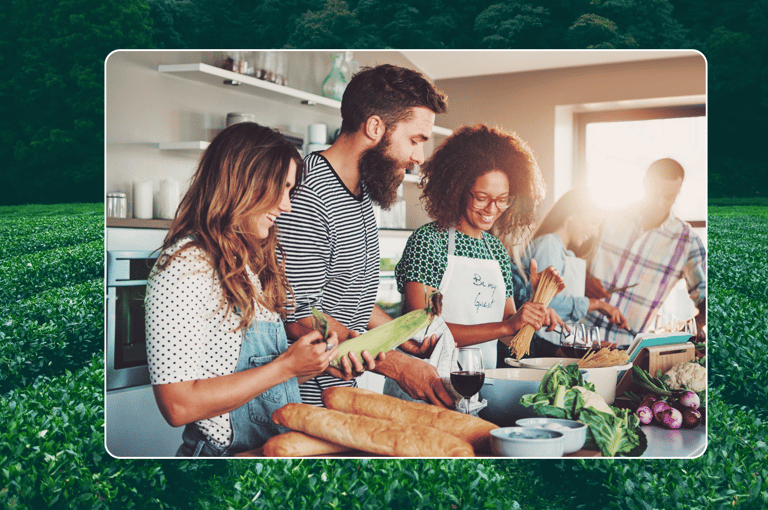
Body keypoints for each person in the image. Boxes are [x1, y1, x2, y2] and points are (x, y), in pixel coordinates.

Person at [144, 123, 363, 457]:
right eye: (281, 189)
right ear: (244, 184)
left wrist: (311, 363)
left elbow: (254, 386)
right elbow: (178, 404)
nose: (287, 206)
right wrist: (285, 366)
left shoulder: (248, 264)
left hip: (269, 452)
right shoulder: (185, 266)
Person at [276, 64, 456, 408]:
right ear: (375, 126)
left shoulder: (358, 194)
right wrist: (398, 366)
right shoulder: (308, 195)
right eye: (415, 140)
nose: (419, 157)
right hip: (300, 403)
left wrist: (399, 335)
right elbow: (299, 316)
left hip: (338, 396)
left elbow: (344, 293)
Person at [395, 124, 566, 370]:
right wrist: (507, 326)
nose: (491, 209)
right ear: (456, 189)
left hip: (476, 385)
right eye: (482, 197)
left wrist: (534, 308)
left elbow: (508, 335)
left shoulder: (495, 251)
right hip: (421, 386)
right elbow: (421, 330)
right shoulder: (429, 242)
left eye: (502, 199)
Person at [584, 158, 707, 346]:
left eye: (668, 197)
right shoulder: (609, 216)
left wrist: (695, 325)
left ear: (678, 193)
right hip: (576, 334)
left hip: (625, 348)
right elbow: (570, 257)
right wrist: (582, 279)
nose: (659, 203)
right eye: (654, 193)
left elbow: (708, 300)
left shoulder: (687, 242)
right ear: (644, 184)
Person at [519, 187, 628, 357]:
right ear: (570, 215)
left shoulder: (564, 252)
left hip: (556, 348)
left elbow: (562, 320)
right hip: (540, 351)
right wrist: (598, 304)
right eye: (593, 222)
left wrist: (586, 343)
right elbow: (545, 305)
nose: (594, 232)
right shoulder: (549, 245)